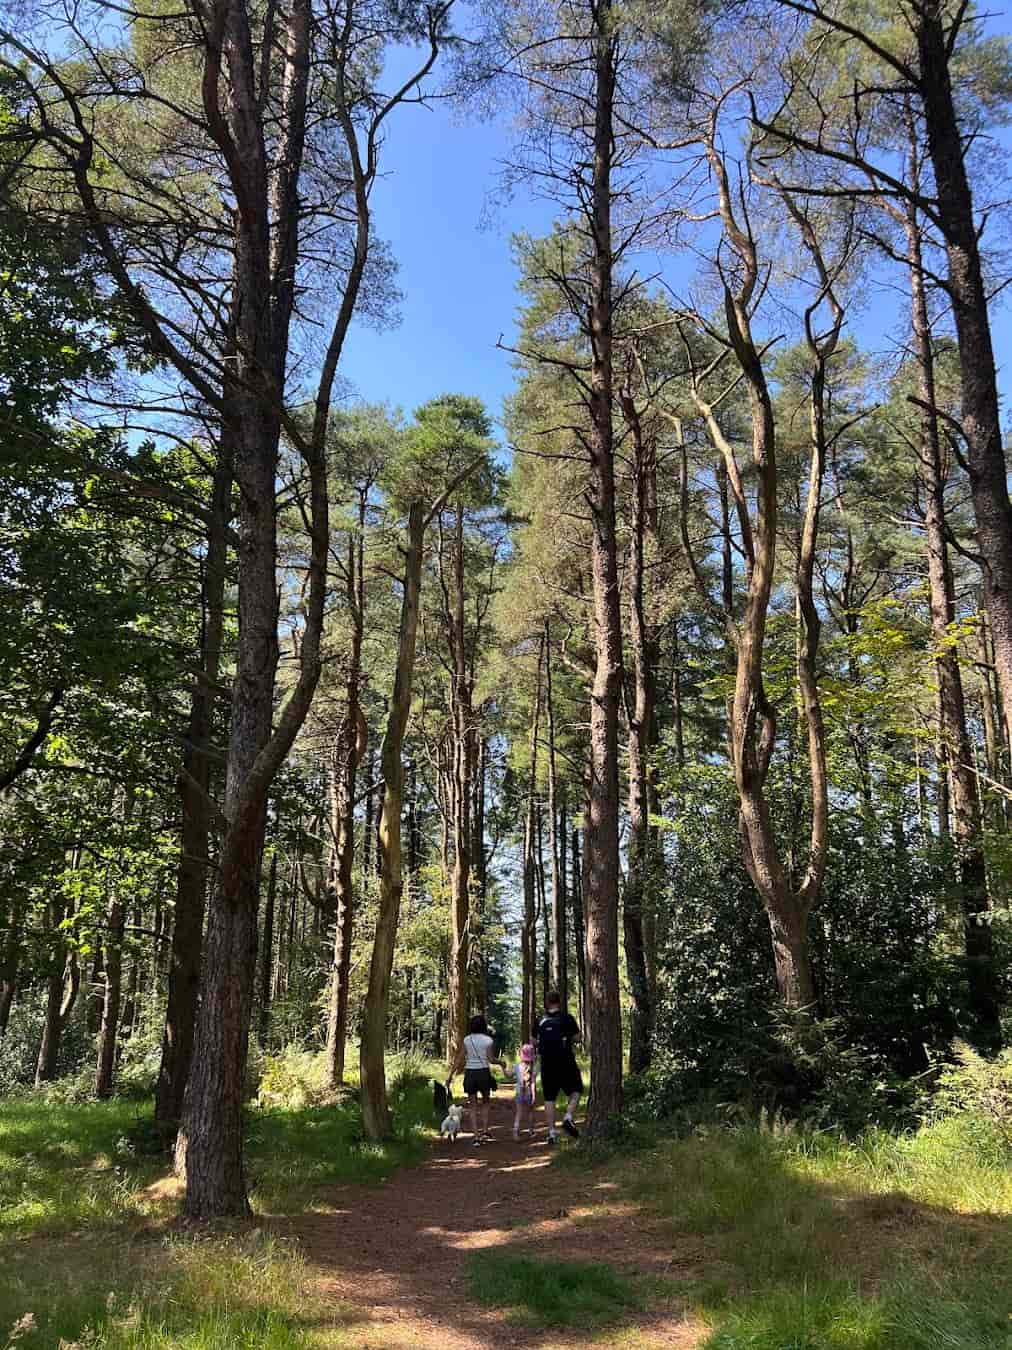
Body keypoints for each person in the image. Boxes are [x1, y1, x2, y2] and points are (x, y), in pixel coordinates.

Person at [446, 1014, 506, 1145]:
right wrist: (501, 1062)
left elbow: (460, 1058)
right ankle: (485, 1131)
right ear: (484, 1026)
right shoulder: (488, 1040)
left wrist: (450, 1075)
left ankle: (476, 1137)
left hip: (470, 1074)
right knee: (485, 1102)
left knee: (472, 1106)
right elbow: (491, 1059)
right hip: (483, 1073)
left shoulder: (467, 1040)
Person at [532, 990, 582, 1145]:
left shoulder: (540, 1020)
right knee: (576, 1089)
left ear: (546, 1003)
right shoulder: (567, 1018)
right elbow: (578, 1037)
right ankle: (568, 1116)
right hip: (566, 1060)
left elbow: (533, 1041)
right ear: (559, 1003)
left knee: (549, 1098)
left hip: (547, 1063)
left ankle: (552, 1133)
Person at [513, 1042, 537, 1140]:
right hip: (529, 1093)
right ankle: (531, 1132)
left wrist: (503, 1068)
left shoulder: (517, 1066)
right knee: (530, 1112)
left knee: (519, 1113)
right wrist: (534, 1095)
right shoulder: (534, 1068)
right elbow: (533, 1083)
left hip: (519, 1093)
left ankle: (515, 1130)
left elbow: (508, 1075)